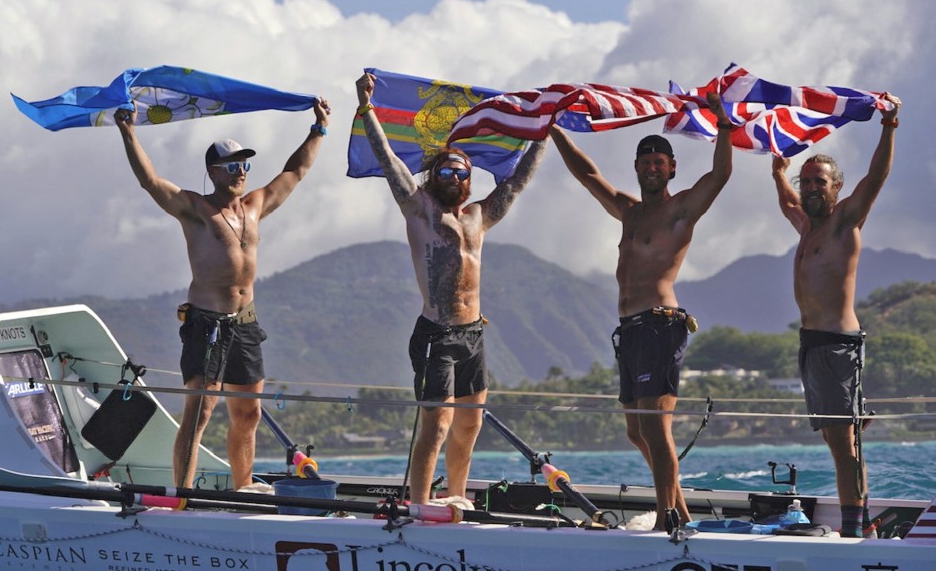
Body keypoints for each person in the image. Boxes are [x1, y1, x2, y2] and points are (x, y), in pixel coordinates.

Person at [114, 97, 331, 489]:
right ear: (213, 171)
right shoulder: (196, 210)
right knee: (199, 414)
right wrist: (128, 132)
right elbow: (150, 182)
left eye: (245, 164)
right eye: (232, 166)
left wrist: (318, 128)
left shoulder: (255, 205)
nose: (240, 172)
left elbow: (295, 172)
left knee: (247, 413)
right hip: (206, 325)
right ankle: (182, 496)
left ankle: (243, 487)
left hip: (245, 324)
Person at [355, 72, 546, 504]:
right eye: (445, 170)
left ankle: (456, 497)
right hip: (437, 334)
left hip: (473, 333)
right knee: (436, 424)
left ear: (468, 179)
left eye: (460, 172)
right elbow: (390, 164)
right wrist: (367, 108)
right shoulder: (420, 210)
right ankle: (420, 505)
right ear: (434, 175)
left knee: (469, 423)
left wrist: (543, 131)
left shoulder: (479, 216)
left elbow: (516, 182)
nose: (453, 177)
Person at [549, 93, 732, 531]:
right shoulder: (629, 212)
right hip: (628, 331)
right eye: (644, 162)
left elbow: (721, 174)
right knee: (637, 431)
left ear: (671, 168)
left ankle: (669, 519)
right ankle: (680, 510)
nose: (651, 167)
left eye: (659, 162)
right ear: (636, 168)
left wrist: (724, 125)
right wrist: (553, 129)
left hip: (659, 325)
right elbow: (588, 174)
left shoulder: (681, 209)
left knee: (655, 426)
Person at [771, 93, 900, 538]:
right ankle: (856, 519)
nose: (809, 188)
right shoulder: (806, 225)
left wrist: (889, 128)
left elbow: (877, 176)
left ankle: (855, 530)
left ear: (836, 187)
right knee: (832, 439)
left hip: (839, 346)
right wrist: (777, 175)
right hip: (810, 346)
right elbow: (788, 203)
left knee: (845, 446)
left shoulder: (846, 221)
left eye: (818, 182)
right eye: (805, 181)